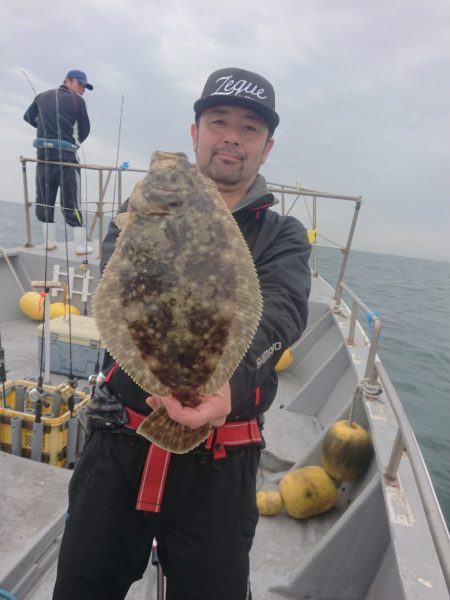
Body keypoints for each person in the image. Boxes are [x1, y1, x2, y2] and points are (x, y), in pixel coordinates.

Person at [52, 67, 312, 600]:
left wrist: (226, 388)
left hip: (220, 470)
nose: (232, 137)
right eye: (218, 121)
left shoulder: (282, 235)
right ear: (196, 133)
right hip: (117, 448)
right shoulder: (140, 210)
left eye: (250, 128)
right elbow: (118, 284)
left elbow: (282, 313)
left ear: (267, 146)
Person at [23, 69, 94, 254]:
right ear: (68, 81)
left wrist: (47, 131)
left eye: (85, 86)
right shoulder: (78, 101)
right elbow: (85, 129)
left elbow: (28, 117)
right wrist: (73, 143)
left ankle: (49, 242)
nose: (82, 89)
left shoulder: (41, 96)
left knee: (44, 200)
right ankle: (80, 246)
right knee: (72, 202)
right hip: (68, 159)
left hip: (43, 157)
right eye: (80, 84)